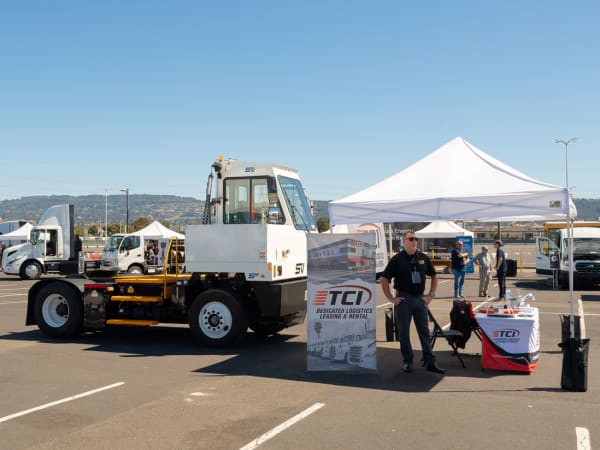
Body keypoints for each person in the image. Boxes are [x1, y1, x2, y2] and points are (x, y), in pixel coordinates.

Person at [380, 231, 446, 375]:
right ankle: (408, 361)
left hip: (420, 299)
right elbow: (384, 279)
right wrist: (391, 298)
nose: (414, 241)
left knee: (424, 332)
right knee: (404, 333)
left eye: (416, 239)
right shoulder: (397, 259)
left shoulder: (423, 257)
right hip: (404, 299)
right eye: (411, 239)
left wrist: (431, 294)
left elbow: (434, 275)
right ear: (404, 241)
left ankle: (430, 362)